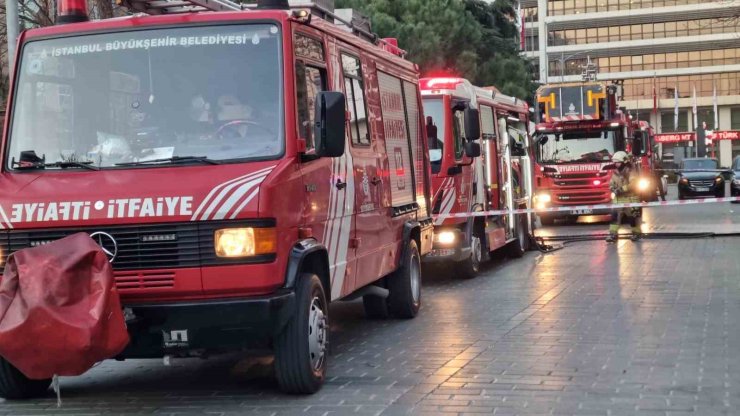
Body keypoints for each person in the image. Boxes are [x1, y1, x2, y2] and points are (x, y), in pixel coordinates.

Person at [606, 151, 642, 243]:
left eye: (618, 162)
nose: (616, 164)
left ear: (624, 162)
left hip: (631, 199)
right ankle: (612, 234)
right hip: (618, 200)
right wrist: (612, 188)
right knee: (614, 217)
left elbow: (633, 184)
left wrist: (621, 189)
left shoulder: (630, 171)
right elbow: (611, 183)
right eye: (615, 162)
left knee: (633, 218)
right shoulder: (616, 172)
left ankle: (636, 233)